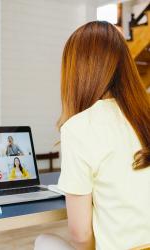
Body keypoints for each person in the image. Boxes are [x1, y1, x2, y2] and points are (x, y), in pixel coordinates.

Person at [34, 21, 150, 250]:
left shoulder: (78, 128)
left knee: (43, 241)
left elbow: (80, 234)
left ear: (76, 72)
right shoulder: (144, 116)